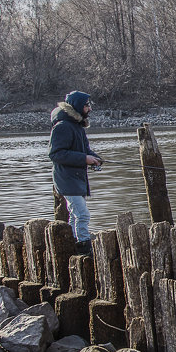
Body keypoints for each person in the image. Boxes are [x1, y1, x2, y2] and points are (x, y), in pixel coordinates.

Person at [49, 90, 102, 255]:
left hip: (76, 178)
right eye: (87, 105)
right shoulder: (63, 126)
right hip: (66, 179)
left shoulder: (77, 126)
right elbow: (55, 154)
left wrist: (94, 158)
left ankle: (72, 241)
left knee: (75, 215)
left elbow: (84, 150)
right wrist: (84, 159)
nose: (90, 109)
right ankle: (84, 246)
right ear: (78, 106)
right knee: (82, 214)